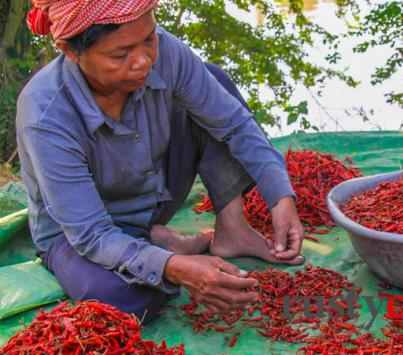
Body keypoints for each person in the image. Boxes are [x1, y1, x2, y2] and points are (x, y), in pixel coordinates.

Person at [16, 0, 305, 323]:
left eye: (149, 39)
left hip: (153, 195)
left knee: (212, 80)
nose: (144, 61)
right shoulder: (45, 112)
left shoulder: (165, 53)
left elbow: (235, 124)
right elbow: (91, 234)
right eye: (120, 55)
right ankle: (158, 245)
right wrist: (173, 267)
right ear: (70, 51)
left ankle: (231, 229)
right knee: (119, 302)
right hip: (78, 234)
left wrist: (280, 196)